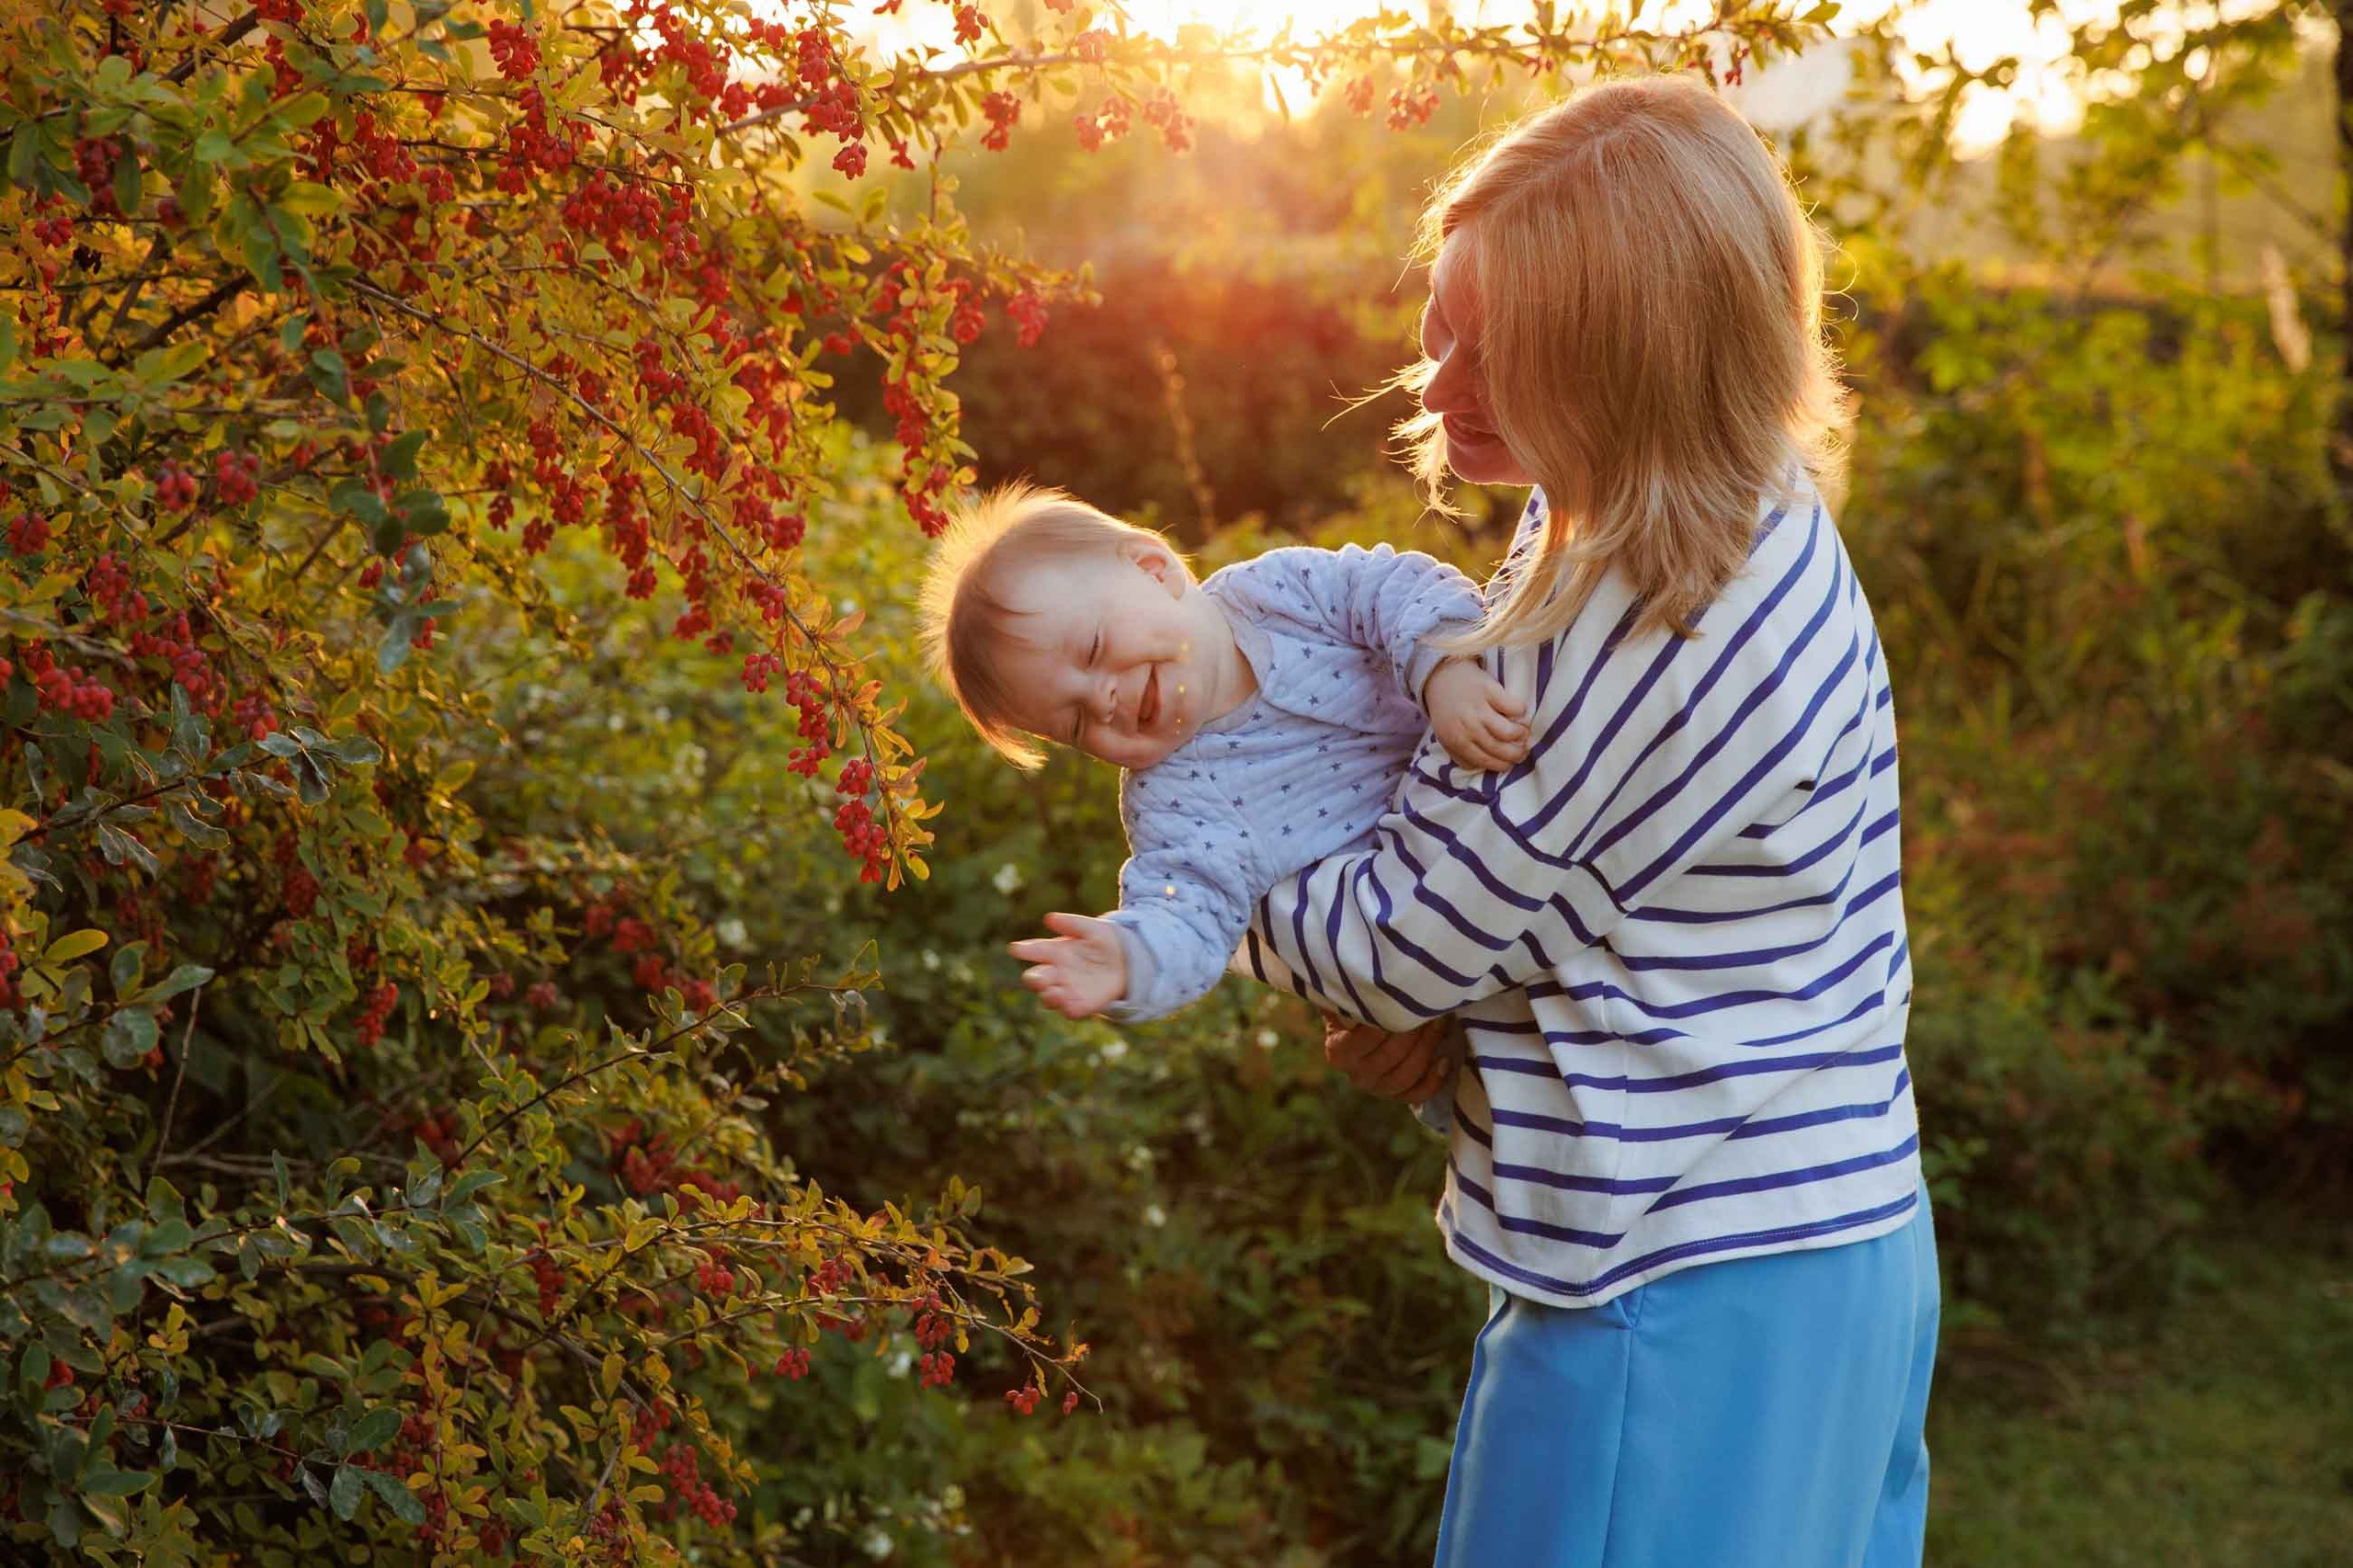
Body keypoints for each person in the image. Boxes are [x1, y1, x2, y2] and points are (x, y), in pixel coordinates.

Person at [1235, 75, 1939, 1567]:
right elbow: (1552, 897)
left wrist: (1218, 834)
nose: (1436, 388)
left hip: (1675, 1287)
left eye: (1503, 352)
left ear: (1640, 355)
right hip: (1831, 1240)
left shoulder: (1641, 615)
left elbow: (1394, 945)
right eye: (1441, 324)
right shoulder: (1730, 510)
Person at [915, 484, 1520, 1092]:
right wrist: (1131, 958)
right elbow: (1183, 906)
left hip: (1511, 783)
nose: (1101, 699)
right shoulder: (1176, 799)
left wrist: (1444, 669)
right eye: (1073, 723)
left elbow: (1393, 586)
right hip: (1456, 949)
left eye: (1095, 649)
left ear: (1153, 569)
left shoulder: (1276, 595)